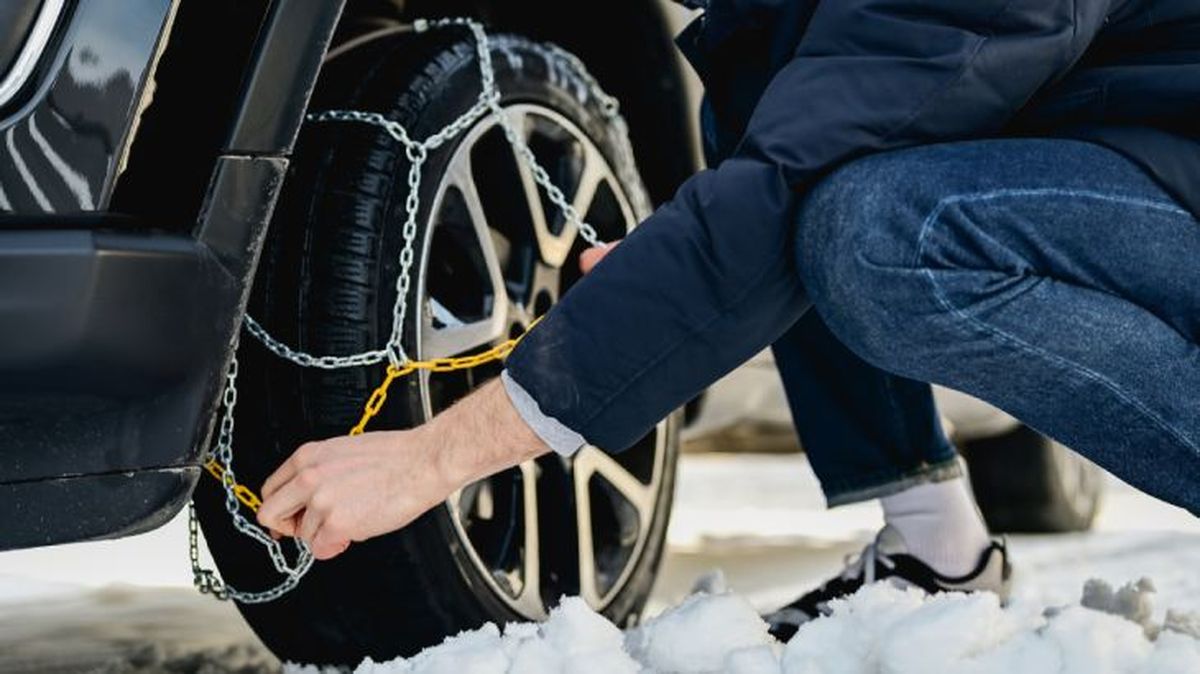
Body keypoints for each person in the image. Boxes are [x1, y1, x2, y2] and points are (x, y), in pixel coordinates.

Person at [256, 0, 1200, 642]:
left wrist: (433, 458)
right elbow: (786, 150)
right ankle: (935, 551)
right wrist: (685, 251)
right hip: (1113, 144)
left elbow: (780, 193)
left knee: (875, 235)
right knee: (768, 141)